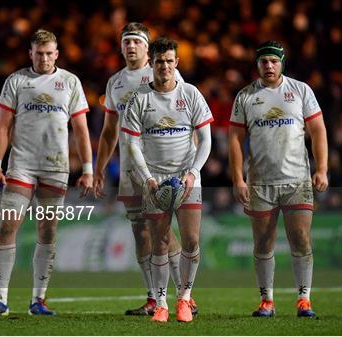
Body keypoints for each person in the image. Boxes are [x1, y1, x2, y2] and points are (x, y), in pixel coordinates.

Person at [0, 29, 93, 316]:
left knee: (48, 230)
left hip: (56, 166)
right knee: (8, 226)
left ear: (56, 54)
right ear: (31, 53)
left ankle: (38, 300)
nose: (43, 58)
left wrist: (88, 169)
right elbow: (3, 127)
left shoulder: (70, 82)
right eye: (38, 53)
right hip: (22, 165)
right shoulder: (16, 81)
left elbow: (80, 130)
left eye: (48, 53)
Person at [93, 22, 198, 316]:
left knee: (163, 232)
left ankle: (183, 295)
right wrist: (99, 168)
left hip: (163, 166)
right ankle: (153, 297)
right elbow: (109, 130)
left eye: (136, 42)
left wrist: (187, 162)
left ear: (147, 48)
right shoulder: (115, 83)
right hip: (130, 166)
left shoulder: (164, 72)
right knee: (140, 231)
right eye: (126, 41)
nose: (130, 47)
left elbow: (181, 115)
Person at [228, 41, 328, 318]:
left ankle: (304, 300)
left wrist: (322, 169)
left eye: (273, 61)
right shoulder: (246, 96)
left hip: (297, 179)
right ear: (257, 65)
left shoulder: (300, 90)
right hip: (260, 182)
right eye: (263, 61)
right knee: (262, 242)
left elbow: (318, 130)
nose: (268, 66)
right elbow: (235, 140)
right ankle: (267, 301)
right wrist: (238, 178)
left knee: (300, 239)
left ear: (282, 63)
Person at [121, 37, 213, 323]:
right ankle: (161, 304)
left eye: (170, 61)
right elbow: (132, 143)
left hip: (187, 180)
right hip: (155, 182)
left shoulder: (191, 94)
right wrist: (146, 177)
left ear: (176, 63)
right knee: (159, 242)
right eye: (160, 61)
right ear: (152, 64)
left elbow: (206, 140)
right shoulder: (140, 97)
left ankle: (184, 299)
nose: (165, 66)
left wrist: (193, 172)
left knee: (191, 239)